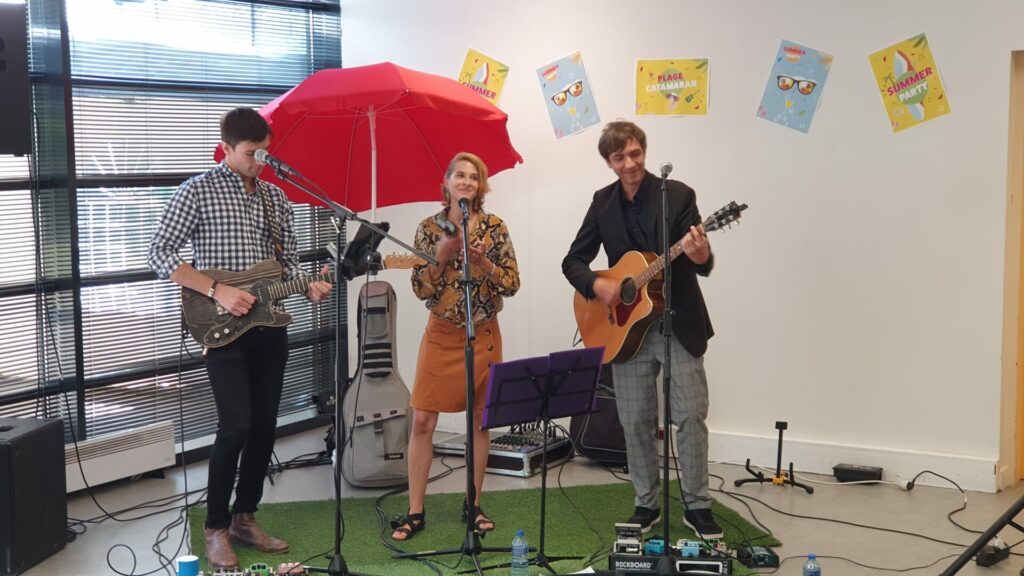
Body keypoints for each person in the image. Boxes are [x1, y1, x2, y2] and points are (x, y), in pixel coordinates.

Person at [147, 107, 332, 568]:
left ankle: (246, 517)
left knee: (266, 424)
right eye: (251, 153)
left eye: (265, 152)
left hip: (270, 325)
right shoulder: (197, 191)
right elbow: (158, 252)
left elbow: (287, 263)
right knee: (237, 425)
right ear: (226, 148)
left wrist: (308, 284)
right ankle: (215, 527)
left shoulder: (275, 197)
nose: (259, 160)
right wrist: (217, 289)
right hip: (221, 326)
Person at [561, 120, 723, 539]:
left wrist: (701, 252)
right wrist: (599, 285)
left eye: (636, 154)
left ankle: (697, 505)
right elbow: (573, 261)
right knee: (634, 421)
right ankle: (646, 503)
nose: (630, 163)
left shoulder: (678, 194)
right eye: (620, 158)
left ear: (644, 151)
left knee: (689, 416)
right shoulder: (602, 203)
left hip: (678, 322)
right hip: (626, 332)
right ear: (609, 162)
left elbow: (698, 262)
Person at [390, 152, 521, 541]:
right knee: (423, 422)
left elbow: (512, 283)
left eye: (474, 177)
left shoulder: (495, 228)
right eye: (459, 175)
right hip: (442, 333)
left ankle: (474, 504)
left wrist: (484, 266)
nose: (466, 182)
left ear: (481, 186)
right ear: (446, 182)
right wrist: (441, 257)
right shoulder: (429, 229)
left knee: (481, 421)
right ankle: (416, 511)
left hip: (483, 334)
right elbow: (420, 288)